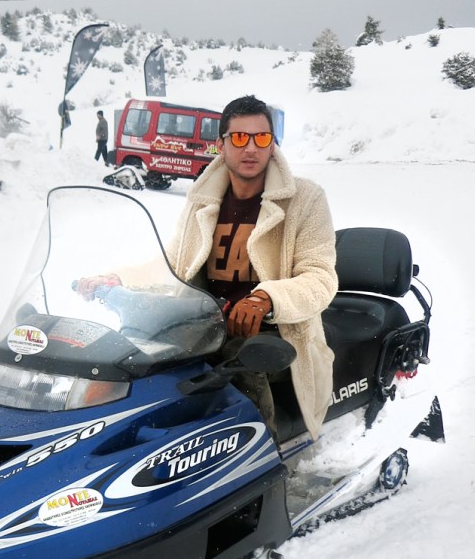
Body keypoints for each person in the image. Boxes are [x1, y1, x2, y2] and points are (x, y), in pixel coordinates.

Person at [80, 95, 337, 440]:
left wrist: (266, 298)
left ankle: (258, 456)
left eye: (261, 138)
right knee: (135, 359)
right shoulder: (204, 200)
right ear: (220, 145)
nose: (251, 148)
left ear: (272, 144)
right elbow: (174, 262)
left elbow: (320, 278)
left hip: (277, 329)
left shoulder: (305, 199)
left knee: (239, 362)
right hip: (205, 322)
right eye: (239, 138)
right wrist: (117, 278)